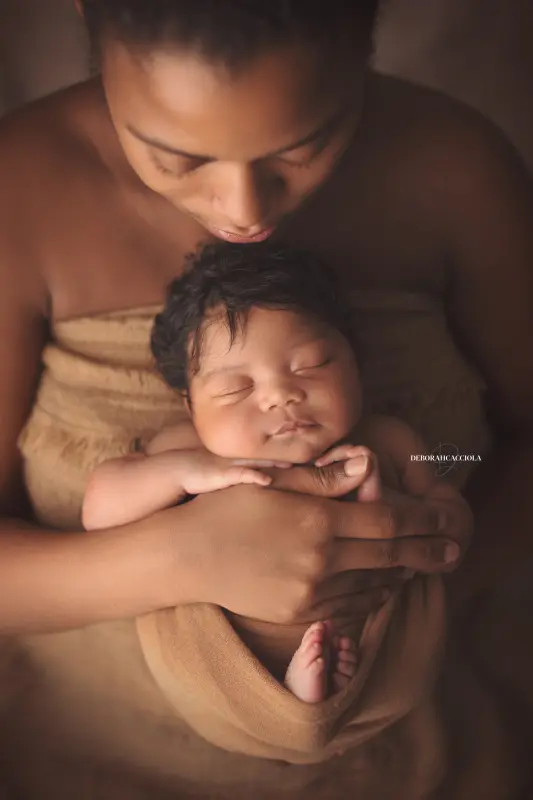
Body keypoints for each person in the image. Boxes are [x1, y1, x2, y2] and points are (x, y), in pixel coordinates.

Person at [0, 1, 531, 797]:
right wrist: (179, 557)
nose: (243, 212)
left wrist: (421, 549)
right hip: (88, 764)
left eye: (304, 145)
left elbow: (497, 453)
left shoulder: (455, 168)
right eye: (175, 155)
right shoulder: (21, 188)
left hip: (421, 761)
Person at [82, 241, 470, 703]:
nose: (280, 396)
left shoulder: (390, 441)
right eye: (234, 388)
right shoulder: (187, 450)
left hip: (375, 636)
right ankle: (277, 690)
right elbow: (98, 513)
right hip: (227, 654)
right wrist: (183, 474)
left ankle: (333, 681)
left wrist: (404, 515)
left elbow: (450, 525)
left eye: (312, 365)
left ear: (355, 363)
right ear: (190, 405)